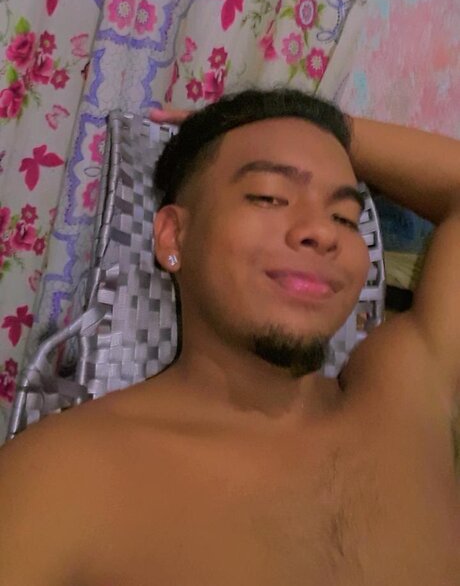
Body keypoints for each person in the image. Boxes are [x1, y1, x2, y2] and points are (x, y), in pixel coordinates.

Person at [0, 87, 459, 586]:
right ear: (174, 236)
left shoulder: (400, 398)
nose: (324, 233)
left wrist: (322, 127)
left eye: (344, 218)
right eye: (268, 196)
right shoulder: (64, 475)